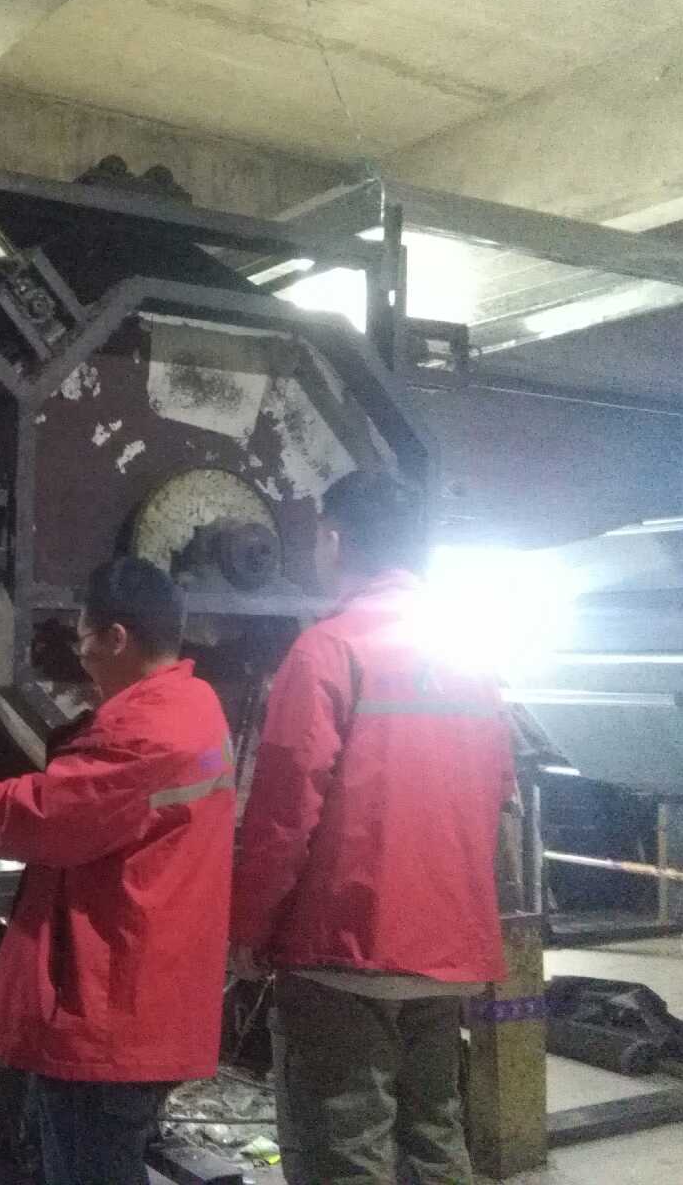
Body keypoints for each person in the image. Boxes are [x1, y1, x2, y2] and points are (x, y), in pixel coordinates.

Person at [0, 556, 235, 1185]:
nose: (81, 656)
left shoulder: (141, 731)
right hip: (156, 988)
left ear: (117, 637)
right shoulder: (197, 704)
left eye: (84, 639)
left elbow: (41, 818)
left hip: (109, 1007)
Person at [231, 471, 518, 1185]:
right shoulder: (472, 655)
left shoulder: (328, 649)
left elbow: (284, 814)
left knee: (345, 1150)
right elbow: (497, 794)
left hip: (345, 948)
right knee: (434, 1136)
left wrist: (249, 928)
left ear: (334, 539)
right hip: (445, 948)